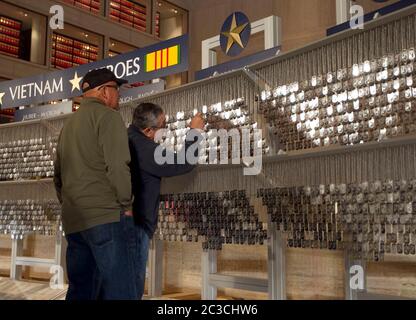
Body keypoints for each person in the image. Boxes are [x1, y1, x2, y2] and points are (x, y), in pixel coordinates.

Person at [54, 68, 137, 300]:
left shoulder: (67, 126)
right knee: (121, 290)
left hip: (74, 221)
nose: (118, 95)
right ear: (103, 92)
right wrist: (126, 204)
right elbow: (118, 166)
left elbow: (58, 177)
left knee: (81, 290)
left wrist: (71, 205)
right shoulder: (108, 117)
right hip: (105, 218)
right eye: (116, 89)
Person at [128, 103, 205, 299]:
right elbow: (184, 161)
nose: (167, 128)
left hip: (125, 222)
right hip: (136, 225)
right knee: (131, 285)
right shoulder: (145, 149)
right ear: (148, 130)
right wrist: (194, 131)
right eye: (164, 124)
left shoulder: (126, 138)